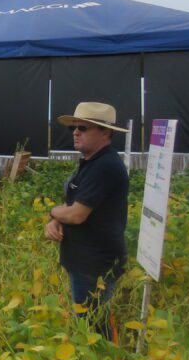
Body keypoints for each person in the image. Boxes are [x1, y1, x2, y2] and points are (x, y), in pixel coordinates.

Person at [46, 102, 130, 338]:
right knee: (89, 322)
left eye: (83, 128)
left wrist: (53, 213)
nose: (75, 132)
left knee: (94, 328)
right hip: (86, 260)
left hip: (94, 265)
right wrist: (56, 220)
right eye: (73, 127)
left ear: (106, 132)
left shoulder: (104, 167)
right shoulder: (92, 162)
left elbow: (75, 214)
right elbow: (74, 206)